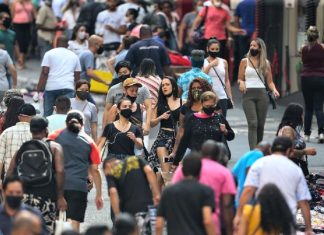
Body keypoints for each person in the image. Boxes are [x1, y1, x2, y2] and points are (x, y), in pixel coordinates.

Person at [234, 137, 312, 235]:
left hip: (263, 218)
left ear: (271, 150)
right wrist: (308, 228)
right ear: (289, 151)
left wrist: (238, 215)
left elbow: (248, 190)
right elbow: (303, 201)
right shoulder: (296, 170)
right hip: (286, 221)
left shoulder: (259, 164)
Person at [7, 116, 67, 234]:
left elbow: (10, 171)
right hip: (47, 197)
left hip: (24, 197)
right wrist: (60, 196)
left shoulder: (23, 148)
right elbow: (60, 171)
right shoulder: (54, 147)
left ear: (31, 130)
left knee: (24, 229)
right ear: (46, 130)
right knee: (45, 230)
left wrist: (7, 195)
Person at [48, 111, 103, 232]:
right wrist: (99, 194)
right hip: (78, 187)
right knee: (74, 222)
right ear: (82, 124)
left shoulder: (54, 136)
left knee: (55, 220)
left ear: (66, 122)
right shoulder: (89, 141)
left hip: (56, 185)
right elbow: (95, 170)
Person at [172, 140, 236, 235]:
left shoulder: (186, 167)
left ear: (201, 152)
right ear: (218, 155)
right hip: (212, 223)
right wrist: (230, 231)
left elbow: (174, 191)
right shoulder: (225, 173)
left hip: (186, 221)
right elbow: (227, 205)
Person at [156, 153, 216, 235]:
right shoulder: (206, 191)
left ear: (182, 171)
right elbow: (208, 220)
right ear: (200, 170)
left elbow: (159, 223)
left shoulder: (168, 191)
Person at [237, 38, 280, 149]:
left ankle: (259, 149)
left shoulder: (265, 63)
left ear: (260, 48)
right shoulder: (244, 61)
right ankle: (253, 151)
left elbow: (269, 81)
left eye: (254, 46)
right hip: (248, 94)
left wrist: (274, 90)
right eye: (251, 45)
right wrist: (241, 83)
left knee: (260, 125)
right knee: (253, 123)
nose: (252, 48)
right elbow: (240, 78)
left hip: (262, 95)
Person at [173, 91, 234, 167]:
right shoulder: (192, 118)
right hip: (197, 159)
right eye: (207, 106)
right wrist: (176, 162)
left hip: (215, 160)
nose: (210, 108)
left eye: (212, 106)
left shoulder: (219, 118)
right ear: (202, 104)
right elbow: (184, 140)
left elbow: (231, 136)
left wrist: (225, 131)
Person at [36, 35, 81, 117]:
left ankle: (47, 129)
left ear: (56, 43)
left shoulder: (49, 54)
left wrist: (38, 89)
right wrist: (78, 92)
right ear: (67, 44)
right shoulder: (74, 56)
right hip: (68, 87)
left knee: (47, 114)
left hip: (51, 87)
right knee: (66, 115)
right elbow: (77, 77)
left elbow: (44, 73)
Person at [103, 60, 152, 135]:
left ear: (131, 71)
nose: (123, 75)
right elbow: (107, 110)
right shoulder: (113, 90)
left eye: (125, 72)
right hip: (118, 128)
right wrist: (104, 130)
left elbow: (149, 107)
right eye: (120, 73)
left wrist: (147, 125)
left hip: (136, 127)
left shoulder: (142, 88)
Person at [170, 78, 212, 158]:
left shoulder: (211, 107)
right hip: (190, 146)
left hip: (208, 147)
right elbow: (181, 129)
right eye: (193, 88)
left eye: (199, 88)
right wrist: (174, 151)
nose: (196, 90)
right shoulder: (185, 108)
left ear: (204, 90)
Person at [147, 76, 182, 173]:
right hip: (163, 139)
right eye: (162, 85)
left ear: (173, 87)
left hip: (178, 139)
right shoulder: (160, 105)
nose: (164, 87)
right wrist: (160, 117)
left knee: (175, 167)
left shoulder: (183, 102)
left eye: (167, 85)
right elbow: (151, 123)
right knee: (166, 169)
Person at [277, 103, 317, 176]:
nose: (303, 116)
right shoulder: (287, 130)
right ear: (296, 116)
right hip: (290, 169)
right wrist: (306, 151)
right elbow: (287, 152)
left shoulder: (293, 129)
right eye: (302, 114)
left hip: (296, 167)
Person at [300, 26, 324, 143]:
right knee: (319, 108)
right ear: (317, 36)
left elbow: (303, 62)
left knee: (308, 108)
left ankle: (306, 134)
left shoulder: (303, 48)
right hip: (320, 78)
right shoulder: (323, 48)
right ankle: (321, 133)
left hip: (307, 78)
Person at [0, 104, 36, 181]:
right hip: (31, 181)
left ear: (19, 117)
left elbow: (0, 160)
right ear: (33, 117)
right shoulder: (36, 133)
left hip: (10, 181)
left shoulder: (6, 133)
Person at [232, 141, 271, 207]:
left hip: (239, 193)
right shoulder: (258, 154)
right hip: (247, 195)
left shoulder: (248, 154)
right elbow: (250, 170)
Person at [203, 38, 233, 117]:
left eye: (217, 49)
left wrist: (230, 97)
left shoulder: (224, 62)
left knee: (222, 121)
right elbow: (202, 77)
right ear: (207, 49)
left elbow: (226, 80)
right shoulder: (204, 62)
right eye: (212, 49)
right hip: (209, 96)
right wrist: (210, 65)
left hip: (222, 96)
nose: (214, 51)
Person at [10, 0, 36, 69]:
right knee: (20, 41)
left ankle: (22, 60)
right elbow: (12, 14)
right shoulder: (15, 2)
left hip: (28, 24)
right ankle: (20, 60)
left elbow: (34, 14)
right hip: (17, 23)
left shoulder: (30, 2)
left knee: (27, 41)